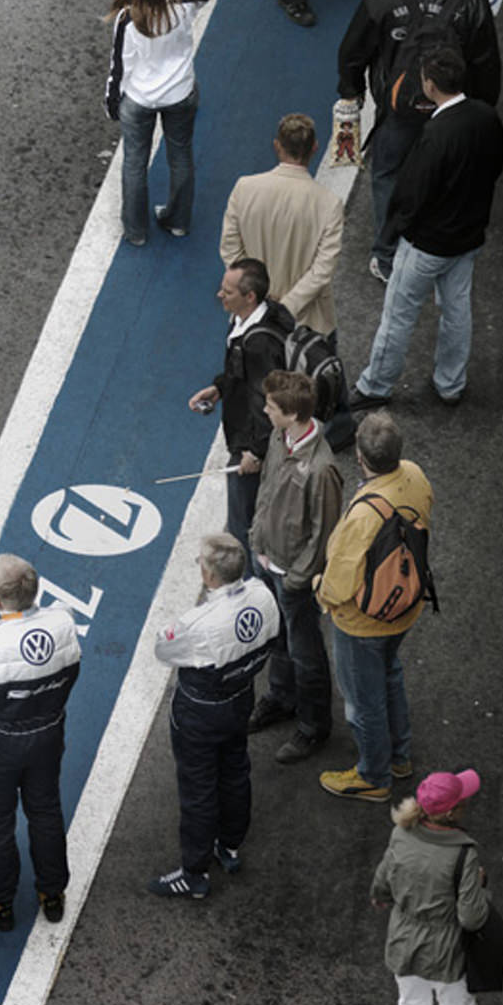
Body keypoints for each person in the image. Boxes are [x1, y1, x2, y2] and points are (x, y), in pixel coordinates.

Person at [338, 0, 501, 278]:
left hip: (398, 109)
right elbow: (486, 64)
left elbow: (352, 52)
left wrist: (350, 92)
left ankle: (386, 256)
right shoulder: (472, 2)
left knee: (387, 176)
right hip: (451, 113)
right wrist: (482, 112)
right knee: (448, 178)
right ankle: (434, 253)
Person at [348, 50, 503, 411]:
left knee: (398, 314)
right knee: (457, 310)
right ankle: (451, 383)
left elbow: (412, 192)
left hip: (427, 243)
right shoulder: (486, 118)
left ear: (429, 85)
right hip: (468, 236)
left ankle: (376, 384)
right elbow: (496, 167)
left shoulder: (436, 133)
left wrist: (395, 229)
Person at [0, 552, 81, 931]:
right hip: (48, 732)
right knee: (45, 810)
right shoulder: (63, 622)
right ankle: (52, 892)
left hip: (1, 740)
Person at [146, 532, 280, 899]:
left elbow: (164, 650)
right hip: (240, 699)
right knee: (236, 770)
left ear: (208, 576)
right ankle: (230, 845)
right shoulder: (264, 595)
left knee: (198, 788)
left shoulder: (198, 621)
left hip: (200, 711)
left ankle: (194, 872)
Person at [315, 411, 434, 800]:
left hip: (362, 622)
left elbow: (340, 582)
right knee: (389, 674)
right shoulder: (414, 475)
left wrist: (319, 589)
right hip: (405, 605)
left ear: (361, 459)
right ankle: (399, 755)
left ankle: (373, 774)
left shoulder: (364, 514)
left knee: (363, 702)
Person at [247, 371, 341, 766]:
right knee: (276, 639)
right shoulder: (277, 437)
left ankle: (314, 725)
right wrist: (257, 538)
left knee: (306, 653)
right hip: (268, 559)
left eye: (270, 406)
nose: (265, 410)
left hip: (293, 576)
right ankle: (282, 699)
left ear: (290, 413)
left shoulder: (321, 468)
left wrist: (297, 578)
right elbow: (267, 487)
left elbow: (324, 533)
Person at [104, 0, 217, 243]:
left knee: (135, 163)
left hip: (140, 99)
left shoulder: (128, 18)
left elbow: (120, 66)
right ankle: (178, 220)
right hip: (180, 93)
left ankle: (136, 231)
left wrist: (112, 104)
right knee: (180, 155)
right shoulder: (183, 5)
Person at [371, 769, 491, 1005]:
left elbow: (384, 875)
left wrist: (380, 896)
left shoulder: (401, 833)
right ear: (451, 813)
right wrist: (480, 888)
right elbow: (471, 917)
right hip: (446, 950)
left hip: (403, 940)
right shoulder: (463, 853)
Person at [189, 257, 294, 546]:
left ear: (250, 297)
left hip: (250, 443)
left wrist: (255, 452)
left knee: (241, 518)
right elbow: (244, 375)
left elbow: (265, 401)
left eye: (228, 291)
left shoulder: (259, 344)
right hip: (251, 436)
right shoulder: (253, 319)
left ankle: (244, 577)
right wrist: (220, 388)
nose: (219, 295)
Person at [219, 113, 343, 341]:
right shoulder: (329, 204)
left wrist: (260, 301)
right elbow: (322, 270)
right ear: (314, 148)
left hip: (251, 315)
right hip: (307, 322)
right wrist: (285, 307)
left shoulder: (244, 188)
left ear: (277, 146)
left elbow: (230, 250)